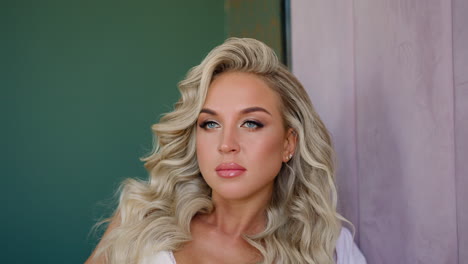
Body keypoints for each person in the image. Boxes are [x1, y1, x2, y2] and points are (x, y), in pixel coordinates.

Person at [86, 38, 366, 264]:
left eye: (251, 123)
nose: (226, 143)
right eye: (210, 124)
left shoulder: (329, 248)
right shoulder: (140, 222)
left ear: (288, 144)